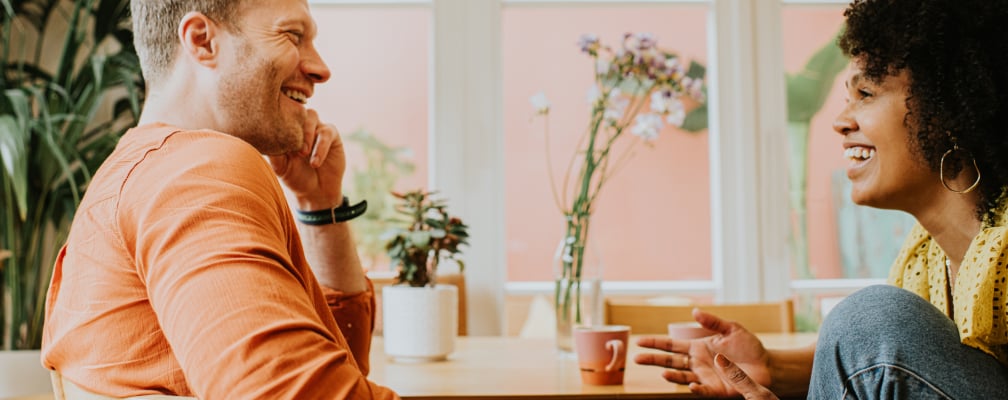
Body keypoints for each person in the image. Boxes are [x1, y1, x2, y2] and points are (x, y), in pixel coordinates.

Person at [634, 0, 1008, 398]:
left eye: (866, 93)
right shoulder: (923, 258)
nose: (840, 121)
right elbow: (896, 368)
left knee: (870, 317)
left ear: (944, 110)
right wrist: (773, 367)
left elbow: (873, 344)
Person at [40, 0, 398, 398]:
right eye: (292, 35)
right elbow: (292, 392)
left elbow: (336, 366)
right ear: (202, 41)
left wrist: (320, 205)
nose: (321, 68)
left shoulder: (134, 174)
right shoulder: (195, 172)